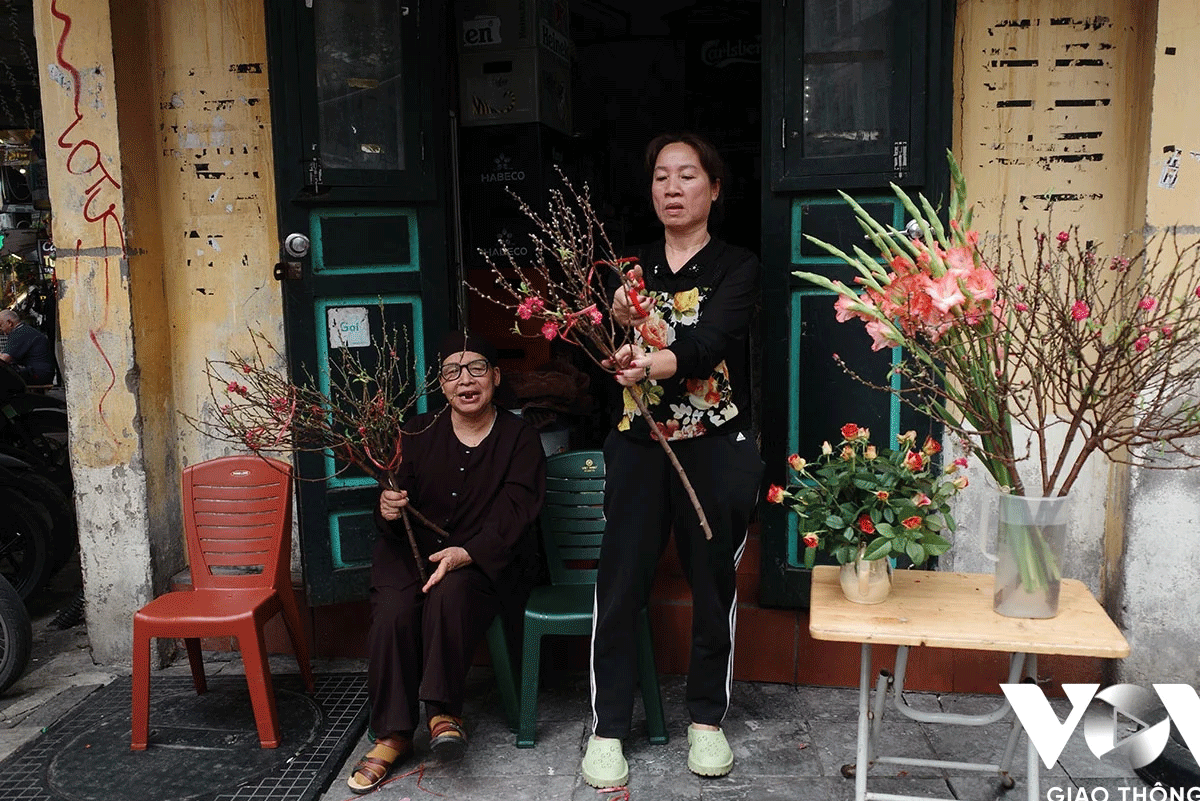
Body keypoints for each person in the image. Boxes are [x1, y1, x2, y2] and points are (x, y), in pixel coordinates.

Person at [582, 133, 764, 788]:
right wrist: (615, 345)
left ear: (714, 188)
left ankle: (706, 719)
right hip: (639, 449)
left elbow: (710, 343)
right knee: (619, 585)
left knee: (712, 583)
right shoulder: (629, 272)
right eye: (662, 175)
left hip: (713, 450)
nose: (673, 187)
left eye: (688, 175)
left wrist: (648, 358)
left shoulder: (736, 266)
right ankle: (607, 730)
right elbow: (612, 346)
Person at [346, 331, 546, 795]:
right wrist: (388, 507)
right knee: (393, 612)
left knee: (452, 592)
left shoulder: (520, 437)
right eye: (453, 371)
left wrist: (467, 553)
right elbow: (391, 515)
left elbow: (519, 511)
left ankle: (442, 711)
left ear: (496, 377)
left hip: (482, 559)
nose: (466, 380)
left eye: (477, 368)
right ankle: (393, 733)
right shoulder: (415, 432)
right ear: (441, 384)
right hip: (411, 555)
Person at [0, 309, 54, 385]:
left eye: (1, 325)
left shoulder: (20, 333)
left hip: (37, 375)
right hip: (42, 374)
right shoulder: (24, 330)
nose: (1, 329)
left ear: (10, 323)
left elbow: (4, 360)